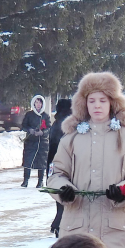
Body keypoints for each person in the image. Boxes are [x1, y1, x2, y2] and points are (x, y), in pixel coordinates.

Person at [46, 71, 125, 248]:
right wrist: (63, 190)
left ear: (112, 102)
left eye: (102, 100)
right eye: (91, 100)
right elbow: (57, 174)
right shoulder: (71, 138)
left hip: (115, 233)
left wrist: (123, 192)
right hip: (77, 230)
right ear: (83, 104)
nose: (97, 106)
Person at [46, 98, 73, 237]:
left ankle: (57, 223)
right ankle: (59, 224)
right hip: (65, 163)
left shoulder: (56, 122)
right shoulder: (68, 124)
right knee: (66, 196)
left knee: (59, 195)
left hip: (52, 163)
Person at [20, 95, 52, 188]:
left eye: (40, 102)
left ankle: (40, 181)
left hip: (42, 143)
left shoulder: (45, 116)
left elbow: (49, 128)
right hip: (30, 141)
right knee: (28, 161)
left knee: (42, 162)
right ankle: (25, 180)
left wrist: (43, 132)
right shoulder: (29, 115)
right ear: (33, 103)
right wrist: (30, 130)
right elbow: (24, 125)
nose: (38, 104)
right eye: (36, 102)